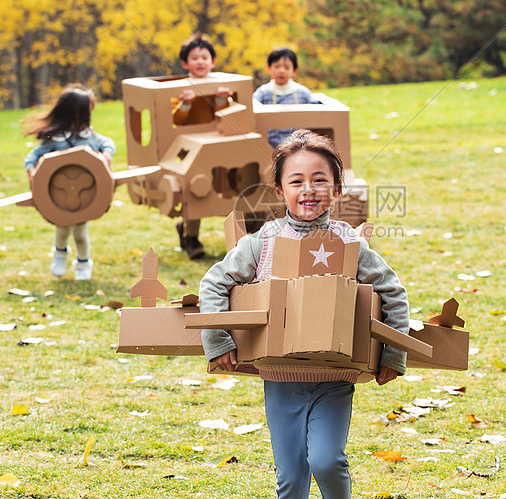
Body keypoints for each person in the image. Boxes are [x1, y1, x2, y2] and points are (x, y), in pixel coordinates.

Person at [198, 129, 409, 499]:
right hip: (280, 377)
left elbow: (393, 292)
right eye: (296, 181)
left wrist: (393, 352)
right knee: (292, 477)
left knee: (327, 461)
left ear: (337, 189)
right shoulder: (261, 242)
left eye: (320, 180)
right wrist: (218, 340)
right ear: (280, 191)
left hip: (335, 374)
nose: (308, 189)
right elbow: (214, 283)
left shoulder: (350, 244)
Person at [23, 85, 115, 281]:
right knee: (62, 230)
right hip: (60, 196)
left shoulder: (89, 136)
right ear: (74, 113)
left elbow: (107, 143)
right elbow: (34, 155)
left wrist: (106, 154)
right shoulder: (54, 139)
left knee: (81, 233)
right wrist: (32, 169)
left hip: (83, 196)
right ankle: (59, 253)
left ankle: (83, 263)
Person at [172, 33, 234, 259]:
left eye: (204, 57)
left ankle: (236, 234)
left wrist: (222, 100)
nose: (200, 62)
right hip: (191, 148)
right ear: (185, 63)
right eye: (194, 58)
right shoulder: (181, 88)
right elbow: (176, 119)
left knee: (224, 187)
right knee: (195, 190)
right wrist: (185, 104)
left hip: (218, 147)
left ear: (213, 62)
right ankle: (190, 235)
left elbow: (227, 117)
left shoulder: (221, 86)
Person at [253, 47, 321, 148]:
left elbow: (318, 110)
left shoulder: (302, 92)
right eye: (277, 66)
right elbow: (252, 108)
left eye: (286, 67)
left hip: (298, 144)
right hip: (269, 145)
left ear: (294, 70)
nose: (281, 71)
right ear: (269, 68)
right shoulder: (263, 93)